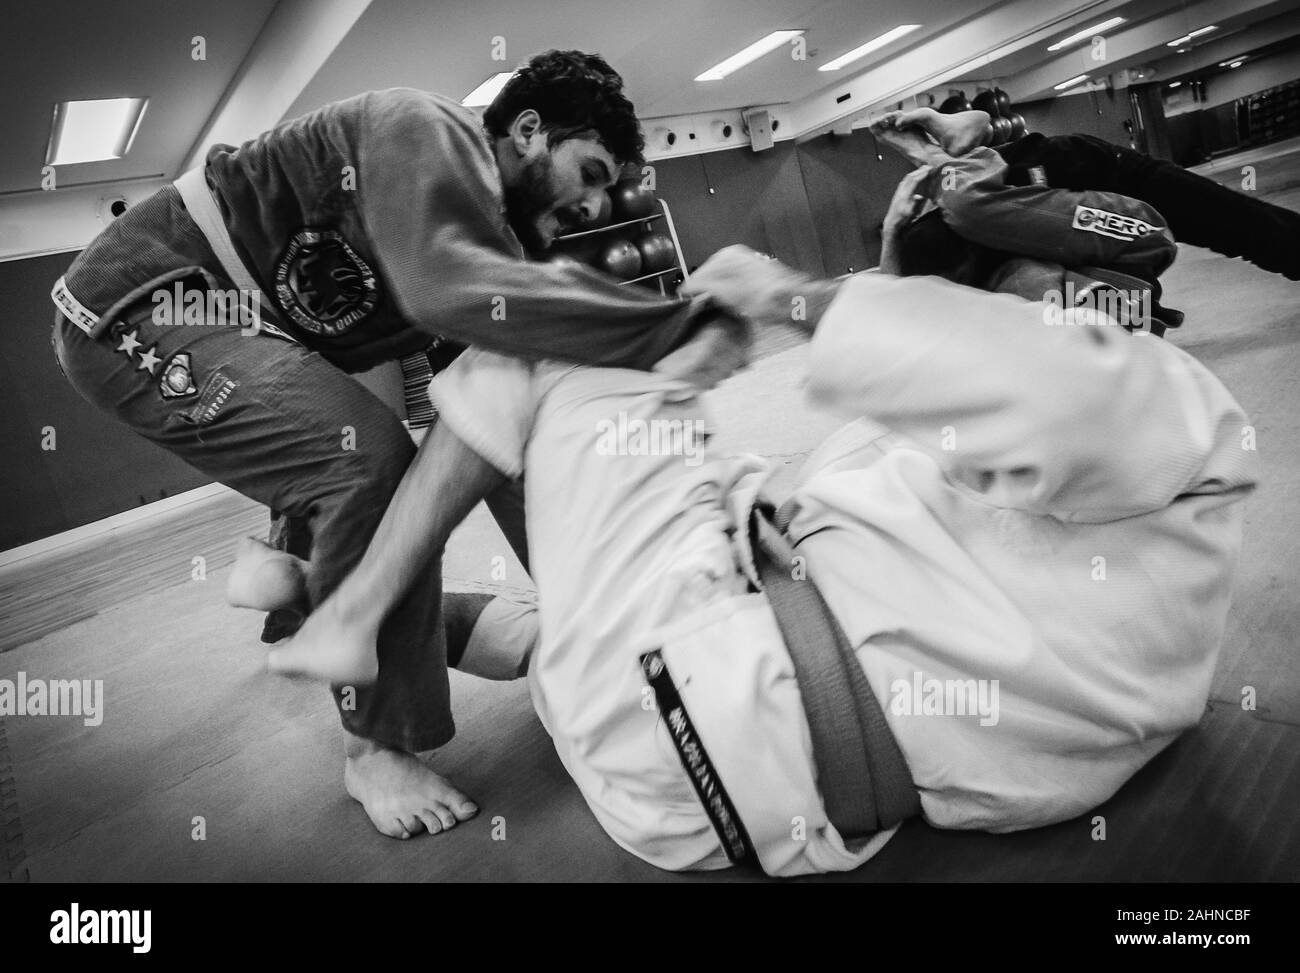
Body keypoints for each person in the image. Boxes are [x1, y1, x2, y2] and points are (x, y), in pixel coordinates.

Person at [260, 167, 1256, 872]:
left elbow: (1049, 382)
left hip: (725, 715)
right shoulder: (1134, 478)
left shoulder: (1158, 391)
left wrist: (795, 301)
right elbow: (913, 466)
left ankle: (353, 616)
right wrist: (751, 499)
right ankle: (344, 604)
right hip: (715, 743)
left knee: (549, 336)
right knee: (635, 543)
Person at [49, 49, 745, 839]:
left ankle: (293, 596)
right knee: (366, 462)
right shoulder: (427, 129)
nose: (593, 207)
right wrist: (673, 323)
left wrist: (579, 602)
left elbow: (492, 428)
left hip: (249, 325)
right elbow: (446, 290)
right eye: (589, 172)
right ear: (528, 130)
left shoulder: (493, 247)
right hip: (142, 299)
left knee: (360, 450)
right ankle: (374, 749)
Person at [884, 106, 1300, 284]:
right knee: (1238, 224)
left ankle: (946, 150)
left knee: (1240, 225)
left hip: (1093, 175)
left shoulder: (964, 223)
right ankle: (954, 148)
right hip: (1061, 174)